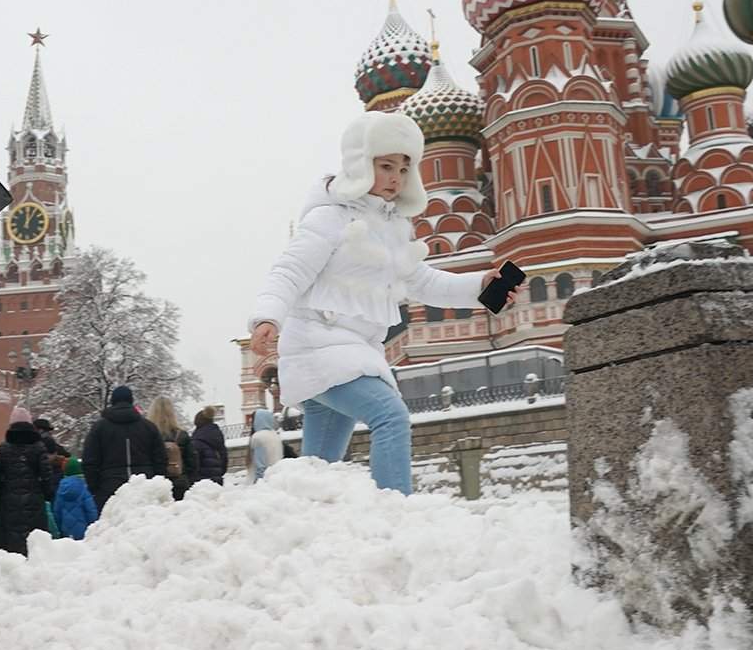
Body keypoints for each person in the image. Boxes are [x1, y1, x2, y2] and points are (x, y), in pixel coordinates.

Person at [247, 112, 516, 495]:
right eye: (385, 165)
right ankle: (397, 514)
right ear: (360, 163)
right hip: (318, 348)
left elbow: (422, 280)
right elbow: (289, 270)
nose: (395, 178)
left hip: (356, 351)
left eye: (404, 168)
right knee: (390, 416)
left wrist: (480, 285)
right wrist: (267, 317)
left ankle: (295, 525)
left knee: (317, 468)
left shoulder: (393, 227)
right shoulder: (330, 218)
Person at [79, 386, 167, 511]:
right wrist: (156, 480)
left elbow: (90, 461)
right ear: (131, 401)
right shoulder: (148, 427)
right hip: (144, 486)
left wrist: (95, 488)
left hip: (109, 487)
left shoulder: (99, 428)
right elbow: (160, 458)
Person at [0, 407, 59, 555]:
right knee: (35, 541)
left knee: (13, 540)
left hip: (10, 501)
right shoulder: (38, 447)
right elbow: (47, 475)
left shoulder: (3, 448)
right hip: (34, 500)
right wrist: (47, 494)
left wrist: (1, 495)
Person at [146, 396, 198, 501]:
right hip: (180, 483)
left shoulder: (147, 435)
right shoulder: (182, 435)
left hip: (155, 486)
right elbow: (193, 463)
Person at [52, 458, 98, 540]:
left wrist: (60, 528)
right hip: (84, 531)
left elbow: (57, 512)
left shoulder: (60, 489)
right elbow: (91, 511)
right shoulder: (83, 488)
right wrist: (94, 527)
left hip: (66, 530)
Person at [190, 406, 229, 486]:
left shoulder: (197, 440)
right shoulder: (217, 435)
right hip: (217, 479)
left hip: (202, 482)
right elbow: (224, 458)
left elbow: (194, 463)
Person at [248, 409, 283, 483]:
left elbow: (260, 465)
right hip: (277, 478)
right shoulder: (275, 436)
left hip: (264, 482)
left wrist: (257, 482)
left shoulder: (258, 437)